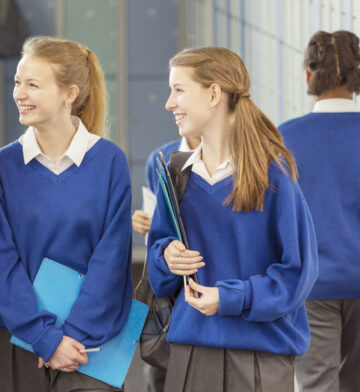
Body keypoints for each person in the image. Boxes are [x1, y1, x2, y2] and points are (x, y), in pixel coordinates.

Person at [146, 46, 318, 391]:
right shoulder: (176, 176)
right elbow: (158, 277)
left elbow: (298, 274)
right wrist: (166, 256)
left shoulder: (274, 178)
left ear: (213, 94)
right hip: (191, 352)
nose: (169, 102)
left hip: (259, 357)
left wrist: (229, 298)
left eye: (179, 90)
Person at [0, 36, 132, 392]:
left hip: (91, 345)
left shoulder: (110, 161)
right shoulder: (1, 166)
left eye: (33, 84)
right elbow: (2, 262)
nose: (19, 93)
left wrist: (73, 338)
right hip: (22, 338)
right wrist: (44, 338)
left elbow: (111, 260)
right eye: (17, 82)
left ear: (69, 94)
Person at [279, 30, 360, 392]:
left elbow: (273, 224)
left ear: (309, 75)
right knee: (356, 384)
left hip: (311, 286)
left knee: (315, 384)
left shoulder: (284, 138)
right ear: (358, 75)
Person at [133, 133, 201, 392]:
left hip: (205, 283)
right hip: (169, 290)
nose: (171, 104)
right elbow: (157, 226)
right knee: (160, 370)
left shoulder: (234, 156)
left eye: (180, 90)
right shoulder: (160, 159)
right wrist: (147, 227)